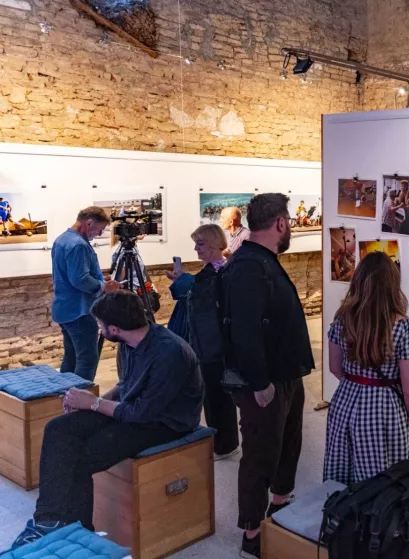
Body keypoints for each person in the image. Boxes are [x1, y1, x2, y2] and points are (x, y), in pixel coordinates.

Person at [7, 291, 203, 550]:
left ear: (114, 328)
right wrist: (90, 405)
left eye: (100, 325)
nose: (99, 329)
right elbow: (126, 387)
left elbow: (141, 415)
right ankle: (49, 521)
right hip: (136, 411)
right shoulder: (129, 343)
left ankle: (79, 530)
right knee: (59, 428)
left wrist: (94, 404)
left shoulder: (169, 353)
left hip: (166, 423)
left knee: (82, 456)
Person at [221, 193, 315, 558]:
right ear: (279, 223)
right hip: (265, 383)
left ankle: (280, 506)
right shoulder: (248, 267)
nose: (289, 226)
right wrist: (260, 383)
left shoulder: (262, 261)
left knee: (287, 445)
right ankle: (252, 534)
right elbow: (244, 332)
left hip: (285, 376)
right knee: (260, 455)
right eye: (288, 221)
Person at [325, 252, 409, 485]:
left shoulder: (342, 320)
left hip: (344, 403)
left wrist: (357, 383)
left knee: (343, 478)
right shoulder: (405, 326)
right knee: (384, 485)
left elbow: (334, 367)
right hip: (384, 409)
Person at [167, 224, 240, 460]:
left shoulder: (220, 272)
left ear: (213, 245)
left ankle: (224, 444)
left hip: (214, 345)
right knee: (213, 394)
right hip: (208, 343)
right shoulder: (213, 270)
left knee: (217, 396)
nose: (195, 249)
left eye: (200, 244)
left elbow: (205, 295)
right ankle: (222, 442)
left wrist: (184, 280)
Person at [51, 207, 121, 382]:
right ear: (89, 223)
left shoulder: (62, 240)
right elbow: (80, 280)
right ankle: (81, 403)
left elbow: (73, 275)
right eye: (100, 229)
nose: (99, 233)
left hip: (65, 309)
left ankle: (65, 397)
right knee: (87, 359)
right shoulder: (78, 245)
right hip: (79, 311)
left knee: (71, 356)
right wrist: (104, 287)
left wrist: (98, 279)